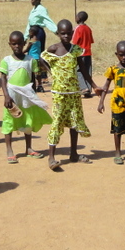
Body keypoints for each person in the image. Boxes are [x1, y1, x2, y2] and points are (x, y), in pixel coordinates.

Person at [40, 19, 101, 171]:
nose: (66, 36)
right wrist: (52, 71)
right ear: (58, 34)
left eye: (69, 33)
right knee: (57, 123)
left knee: (74, 123)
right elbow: (41, 58)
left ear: (73, 33)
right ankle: (51, 157)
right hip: (59, 94)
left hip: (74, 94)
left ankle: (73, 153)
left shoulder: (76, 50)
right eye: (63, 33)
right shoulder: (53, 49)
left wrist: (93, 86)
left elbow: (83, 70)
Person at [0, 31, 53, 163]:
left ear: (24, 43)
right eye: (14, 44)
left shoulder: (30, 60)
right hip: (12, 95)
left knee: (28, 120)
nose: (17, 46)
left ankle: (28, 148)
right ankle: (9, 150)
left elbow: (33, 78)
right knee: (9, 121)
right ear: (10, 45)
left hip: (26, 95)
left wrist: (33, 94)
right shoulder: (6, 61)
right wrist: (6, 96)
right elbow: (3, 78)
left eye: (19, 43)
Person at [72, 11, 95, 98]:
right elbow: (91, 41)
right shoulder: (88, 28)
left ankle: (84, 87)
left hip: (80, 54)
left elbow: (74, 42)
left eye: (76, 16)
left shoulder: (78, 29)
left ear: (79, 18)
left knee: (78, 71)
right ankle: (88, 89)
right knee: (87, 71)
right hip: (88, 53)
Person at [27, 25, 47, 92]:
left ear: (32, 33)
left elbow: (26, 49)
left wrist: (20, 52)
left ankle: (33, 87)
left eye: (29, 32)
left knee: (31, 73)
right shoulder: (38, 41)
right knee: (38, 74)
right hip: (38, 58)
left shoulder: (31, 42)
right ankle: (40, 86)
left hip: (32, 59)